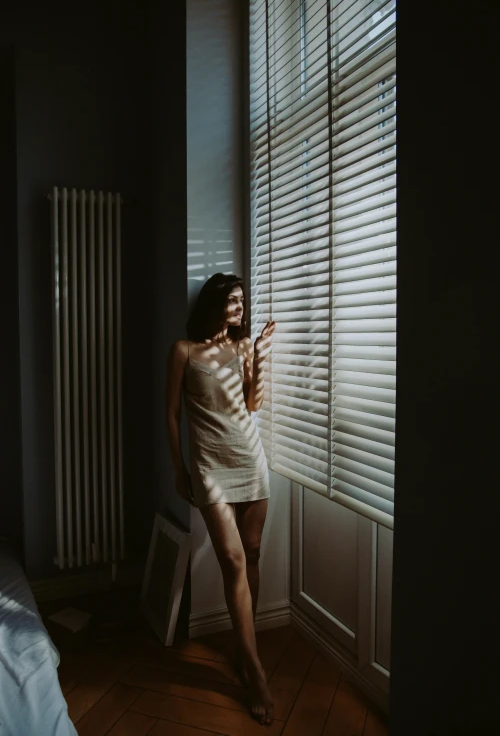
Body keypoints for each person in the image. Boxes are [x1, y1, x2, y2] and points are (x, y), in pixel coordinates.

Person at [166, 272, 276, 726]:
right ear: (214, 304)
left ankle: (244, 646)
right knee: (232, 560)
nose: (240, 308)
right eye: (232, 300)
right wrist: (180, 470)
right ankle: (252, 670)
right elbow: (171, 415)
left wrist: (263, 356)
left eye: (243, 301)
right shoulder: (184, 351)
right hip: (211, 469)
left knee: (251, 552)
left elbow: (252, 405)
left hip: (250, 460)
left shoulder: (243, 347)